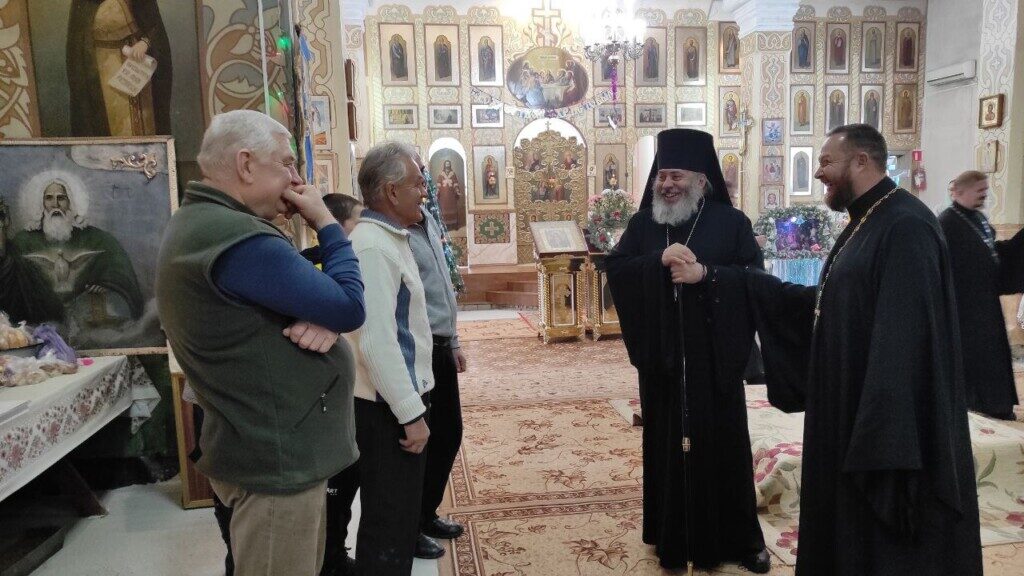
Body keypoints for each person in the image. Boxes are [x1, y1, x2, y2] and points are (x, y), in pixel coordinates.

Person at [699, 124, 982, 575]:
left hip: (885, 425)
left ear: (862, 161)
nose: (818, 173)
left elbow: (906, 340)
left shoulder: (906, 226)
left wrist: (882, 435)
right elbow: (831, 304)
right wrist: (737, 282)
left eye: (827, 162)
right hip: (851, 408)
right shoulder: (868, 220)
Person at [156, 109, 366, 576]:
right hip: (275, 466)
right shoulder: (237, 236)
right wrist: (326, 222)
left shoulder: (210, 223)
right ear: (246, 164)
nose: (296, 180)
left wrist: (325, 317)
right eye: (287, 164)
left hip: (270, 451)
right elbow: (350, 305)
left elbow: (317, 303)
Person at [605, 129, 770, 573]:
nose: (667, 184)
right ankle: (672, 539)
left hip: (713, 360)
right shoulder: (643, 225)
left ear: (701, 179)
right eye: (662, 176)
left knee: (725, 445)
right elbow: (616, 270)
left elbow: (755, 282)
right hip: (662, 361)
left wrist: (706, 274)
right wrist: (655, 262)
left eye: (676, 176)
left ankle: (741, 539)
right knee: (665, 447)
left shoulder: (732, 224)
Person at [345, 141, 435, 576]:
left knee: (397, 520)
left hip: (395, 402)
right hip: (386, 410)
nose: (425, 192)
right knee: (388, 522)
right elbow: (377, 342)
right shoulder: (373, 247)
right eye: (418, 183)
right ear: (391, 191)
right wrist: (410, 413)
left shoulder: (386, 238)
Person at [298, 193, 363, 576]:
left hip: (346, 399)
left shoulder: (355, 262)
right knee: (331, 491)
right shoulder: (309, 267)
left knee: (346, 484)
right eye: (357, 222)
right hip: (321, 403)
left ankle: (335, 554)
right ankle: (326, 561)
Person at [407, 154, 468, 560]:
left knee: (448, 433)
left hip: (442, 345)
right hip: (418, 350)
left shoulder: (425, 219)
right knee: (420, 441)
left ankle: (426, 512)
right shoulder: (390, 233)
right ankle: (409, 525)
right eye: (417, 179)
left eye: (424, 177)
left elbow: (442, 283)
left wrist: (455, 339)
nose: (425, 187)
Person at [939, 171, 1024, 419]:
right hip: (963, 307)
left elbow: (990, 252)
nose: (984, 196)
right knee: (973, 359)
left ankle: (997, 404)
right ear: (960, 192)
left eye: (986, 191)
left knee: (993, 356)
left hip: (986, 304)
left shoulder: (979, 219)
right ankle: (977, 403)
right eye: (979, 191)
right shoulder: (946, 223)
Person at [67, 0, 173, 137]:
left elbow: (154, 25)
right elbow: (79, 38)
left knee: (141, 124)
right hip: (102, 66)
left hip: (134, 62)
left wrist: (145, 42)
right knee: (112, 121)